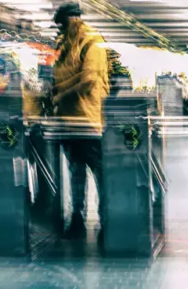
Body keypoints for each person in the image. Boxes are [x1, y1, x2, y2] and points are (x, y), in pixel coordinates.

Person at [51, 2, 109, 238]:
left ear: (73, 19)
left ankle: (106, 220)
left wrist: (60, 93)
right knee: (75, 171)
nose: (61, 30)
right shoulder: (64, 43)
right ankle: (77, 216)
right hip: (68, 120)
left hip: (89, 120)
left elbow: (89, 80)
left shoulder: (92, 41)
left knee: (98, 171)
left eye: (63, 24)